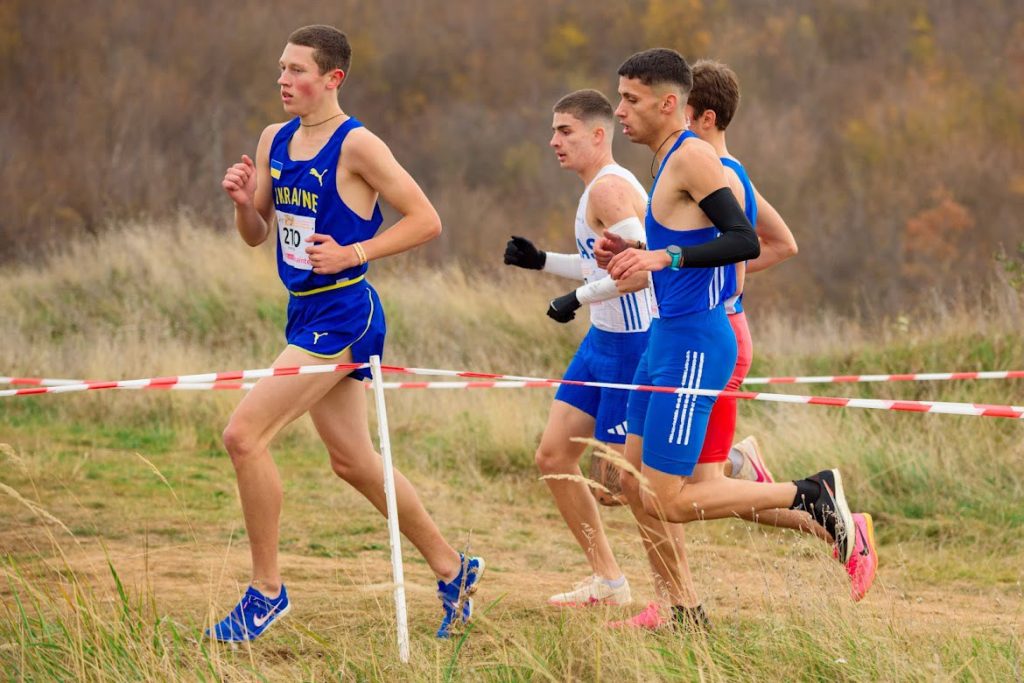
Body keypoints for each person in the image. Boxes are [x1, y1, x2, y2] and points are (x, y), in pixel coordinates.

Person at [213, 24, 482, 642]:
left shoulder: (358, 145)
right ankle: (453, 568)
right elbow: (258, 234)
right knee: (353, 461)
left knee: (244, 436)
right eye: (281, 68)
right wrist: (241, 204)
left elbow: (427, 221)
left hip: (344, 314)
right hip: (303, 310)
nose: (284, 80)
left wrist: (356, 251)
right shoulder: (273, 138)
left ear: (332, 78)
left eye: (298, 70)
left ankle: (266, 593)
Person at [600, 59, 877, 629]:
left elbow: (747, 241)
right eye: (619, 98)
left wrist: (666, 258)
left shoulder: (702, 160)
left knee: (676, 498)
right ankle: (682, 610)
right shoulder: (670, 162)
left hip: (698, 343)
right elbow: (700, 250)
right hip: (666, 336)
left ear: (672, 105)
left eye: (629, 100)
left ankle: (810, 495)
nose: (620, 111)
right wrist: (636, 263)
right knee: (632, 482)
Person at [502, 89, 651, 607]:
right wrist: (541, 261)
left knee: (620, 487)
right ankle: (609, 581)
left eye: (565, 131)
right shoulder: (596, 192)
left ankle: (733, 468)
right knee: (553, 455)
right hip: (600, 342)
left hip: (632, 345)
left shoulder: (609, 191)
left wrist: (576, 298)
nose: (553, 141)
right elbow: (599, 264)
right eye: (553, 130)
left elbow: (639, 271)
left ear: (597, 134)